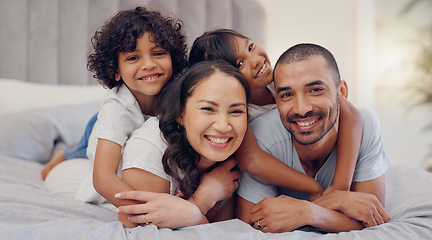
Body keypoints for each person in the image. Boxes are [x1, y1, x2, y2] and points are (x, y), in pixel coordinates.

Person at [43, 6, 188, 227]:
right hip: (100, 131)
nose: (149, 64)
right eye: (133, 58)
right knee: (84, 144)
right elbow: (103, 179)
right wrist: (147, 210)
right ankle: (62, 155)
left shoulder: (177, 93)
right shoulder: (117, 109)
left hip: (132, 127)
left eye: (158, 53)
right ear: (116, 70)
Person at [188, 29, 363, 200]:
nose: (255, 61)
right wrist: (314, 188)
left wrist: (341, 187)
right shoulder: (238, 111)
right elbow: (252, 160)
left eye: (250, 47)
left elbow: (349, 111)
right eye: (240, 64)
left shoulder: (280, 77)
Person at [236, 43, 392, 233]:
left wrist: (308, 212)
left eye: (316, 90)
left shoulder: (365, 124)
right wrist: (319, 208)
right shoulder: (261, 139)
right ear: (276, 101)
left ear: (341, 92)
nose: (301, 109)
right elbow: (251, 229)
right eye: (287, 94)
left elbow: (373, 220)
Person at [115, 60, 250, 228]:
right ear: (180, 113)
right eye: (208, 109)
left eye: (236, 111)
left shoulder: (232, 162)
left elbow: (221, 231)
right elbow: (136, 232)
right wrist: (202, 200)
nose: (223, 126)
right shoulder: (149, 148)